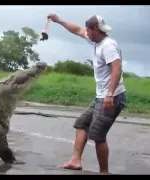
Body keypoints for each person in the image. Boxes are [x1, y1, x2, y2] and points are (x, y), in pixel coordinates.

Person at [47, 14, 127, 173]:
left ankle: (104, 172)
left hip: (112, 96)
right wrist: (59, 21)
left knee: (98, 136)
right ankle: (75, 160)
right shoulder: (95, 39)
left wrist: (110, 94)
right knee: (82, 123)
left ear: (95, 30)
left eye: (88, 31)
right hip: (101, 96)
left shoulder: (108, 46)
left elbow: (117, 69)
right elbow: (76, 29)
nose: (86, 33)